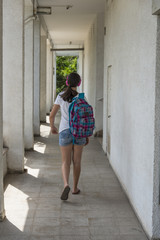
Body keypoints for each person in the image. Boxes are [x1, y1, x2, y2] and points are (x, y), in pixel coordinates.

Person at [49, 72, 89, 201]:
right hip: (79, 132)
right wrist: (86, 135)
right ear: (79, 83)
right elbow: (85, 118)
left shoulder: (60, 96)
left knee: (65, 162)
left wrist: (52, 127)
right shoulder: (81, 98)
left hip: (65, 130)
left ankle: (66, 184)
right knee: (77, 162)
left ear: (67, 82)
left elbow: (52, 115)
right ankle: (75, 188)